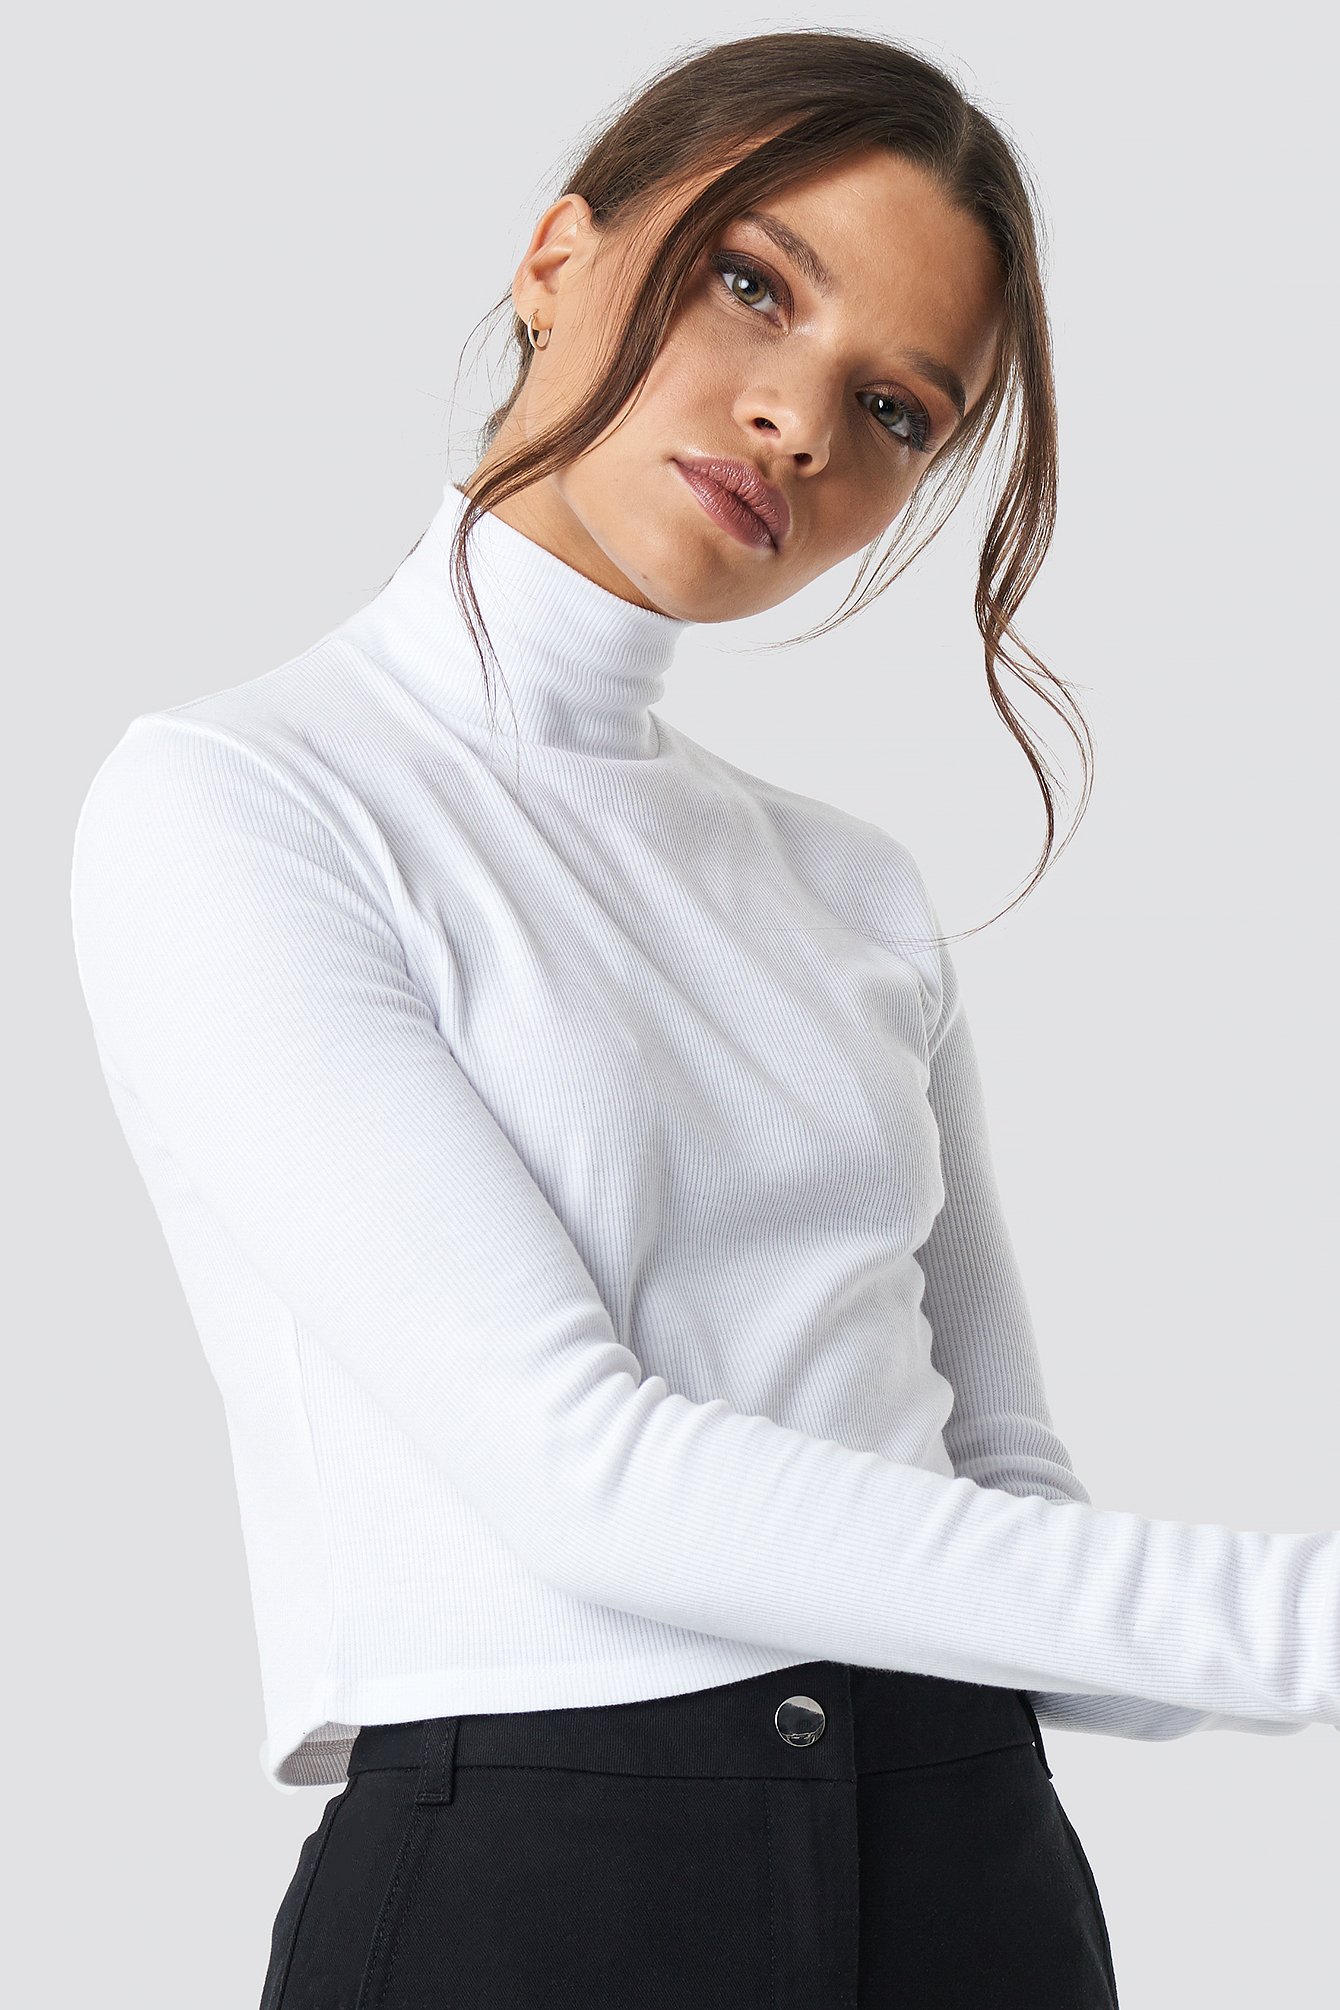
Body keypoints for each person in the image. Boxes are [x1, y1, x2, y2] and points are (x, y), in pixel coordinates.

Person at [67, 28, 1337, 2010]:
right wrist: (1296, 1620)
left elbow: (1005, 1501)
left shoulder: (854, 888)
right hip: (544, 1890)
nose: (797, 421)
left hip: (975, 1864)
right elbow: (570, 1464)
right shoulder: (246, 800)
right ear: (555, 257)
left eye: (897, 407)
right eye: (753, 284)